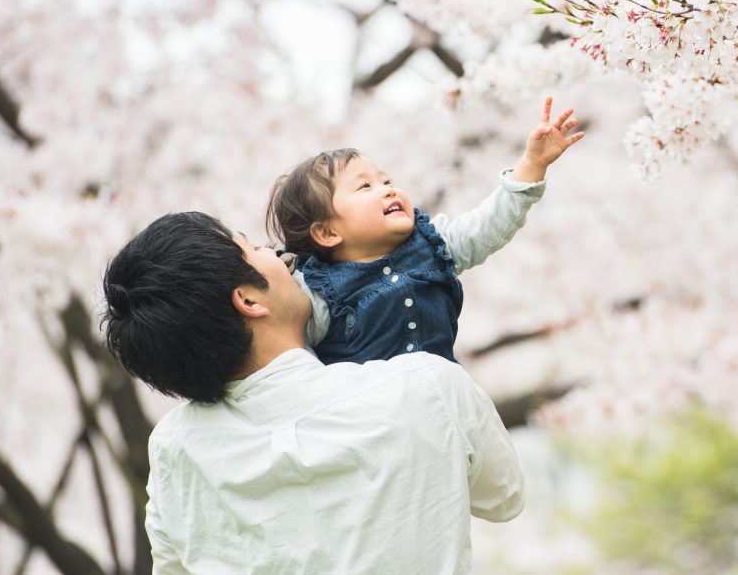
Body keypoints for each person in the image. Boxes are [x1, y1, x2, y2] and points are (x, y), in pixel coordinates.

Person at [102, 211, 523, 573]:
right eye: (255, 249)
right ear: (250, 300)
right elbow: (503, 498)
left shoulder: (175, 448)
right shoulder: (428, 386)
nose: (283, 258)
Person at [266, 97, 583, 365]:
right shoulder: (314, 293)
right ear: (327, 232)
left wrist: (531, 164)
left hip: (440, 403)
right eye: (365, 186)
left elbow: (488, 224)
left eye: (387, 181)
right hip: (369, 419)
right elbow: (287, 356)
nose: (388, 190)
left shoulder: (434, 244)